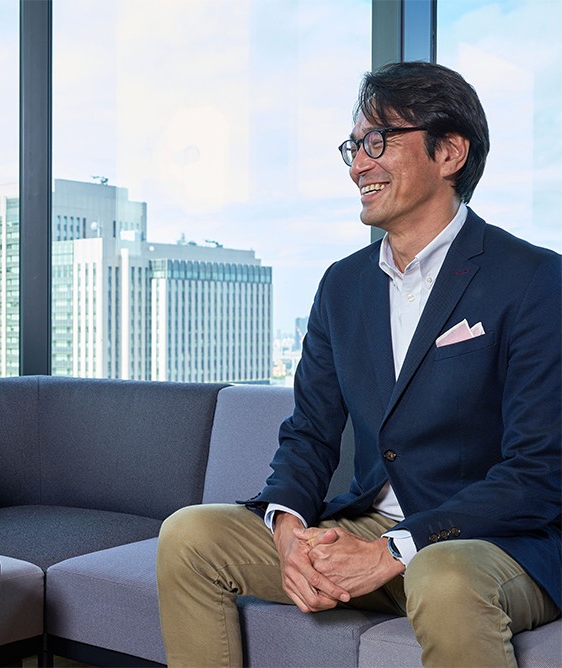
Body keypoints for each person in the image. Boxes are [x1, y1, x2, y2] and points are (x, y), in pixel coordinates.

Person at [156, 61, 560, 666]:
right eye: (353, 146)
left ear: (449, 152)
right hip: (373, 527)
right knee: (189, 536)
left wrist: (397, 548)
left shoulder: (535, 279)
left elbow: (538, 472)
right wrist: (288, 527)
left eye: (378, 142)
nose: (357, 166)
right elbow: (310, 433)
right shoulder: (342, 286)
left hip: (492, 542)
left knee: (443, 578)